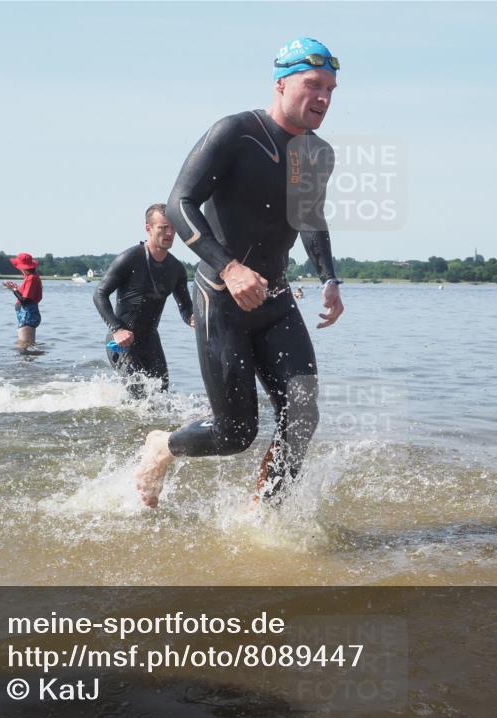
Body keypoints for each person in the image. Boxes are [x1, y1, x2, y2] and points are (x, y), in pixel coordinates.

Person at [134, 36, 344, 508]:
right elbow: (179, 203)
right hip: (221, 298)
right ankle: (162, 447)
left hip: (275, 299)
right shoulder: (235, 133)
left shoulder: (318, 154)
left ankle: (264, 517)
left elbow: (309, 218)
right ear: (281, 83)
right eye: (313, 85)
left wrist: (329, 279)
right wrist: (228, 268)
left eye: (331, 89)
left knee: (303, 415)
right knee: (235, 433)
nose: (324, 98)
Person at [93, 204, 194, 396]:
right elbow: (99, 294)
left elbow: (185, 306)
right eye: (163, 227)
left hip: (150, 340)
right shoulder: (130, 258)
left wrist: (193, 319)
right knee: (138, 394)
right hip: (122, 341)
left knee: (161, 395)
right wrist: (117, 329)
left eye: (173, 227)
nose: (169, 233)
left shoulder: (176, 269)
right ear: (148, 228)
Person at [3, 252, 43, 347]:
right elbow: (27, 296)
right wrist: (15, 288)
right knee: (27, 346)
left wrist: (13, 289)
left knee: (24, 346)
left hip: (27, 315)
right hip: (28, 314)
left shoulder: (31, 278)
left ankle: (26, 361)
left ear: (22, 267)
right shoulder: (31, 277)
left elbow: (25, 300)